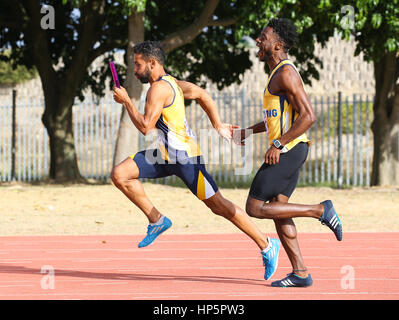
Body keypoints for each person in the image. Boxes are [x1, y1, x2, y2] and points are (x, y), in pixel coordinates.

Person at [111, 41, 281, 281]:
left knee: (218, 205)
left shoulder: (159, 89)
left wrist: (127, 101)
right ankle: (156, 219)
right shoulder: (174, 84)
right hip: (164, 155)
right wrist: (218, 125)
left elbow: (146, 126)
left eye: (138, 65)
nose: (134, 70)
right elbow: (202, 94)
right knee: (120, 174)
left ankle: (266, 244)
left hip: (186, 160)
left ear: (152, 63)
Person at [233, 18, 343, 287]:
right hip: (290, 149)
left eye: (263, 37)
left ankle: (320, 210)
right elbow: (276, 119)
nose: (258, 41)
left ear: (278, 44)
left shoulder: (286, 72)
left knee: (255, 207)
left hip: (290, 150)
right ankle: (301, 273)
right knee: (280, 211)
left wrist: (279, 144)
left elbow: (308, 116)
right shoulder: (275, 74)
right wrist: (248, 131)